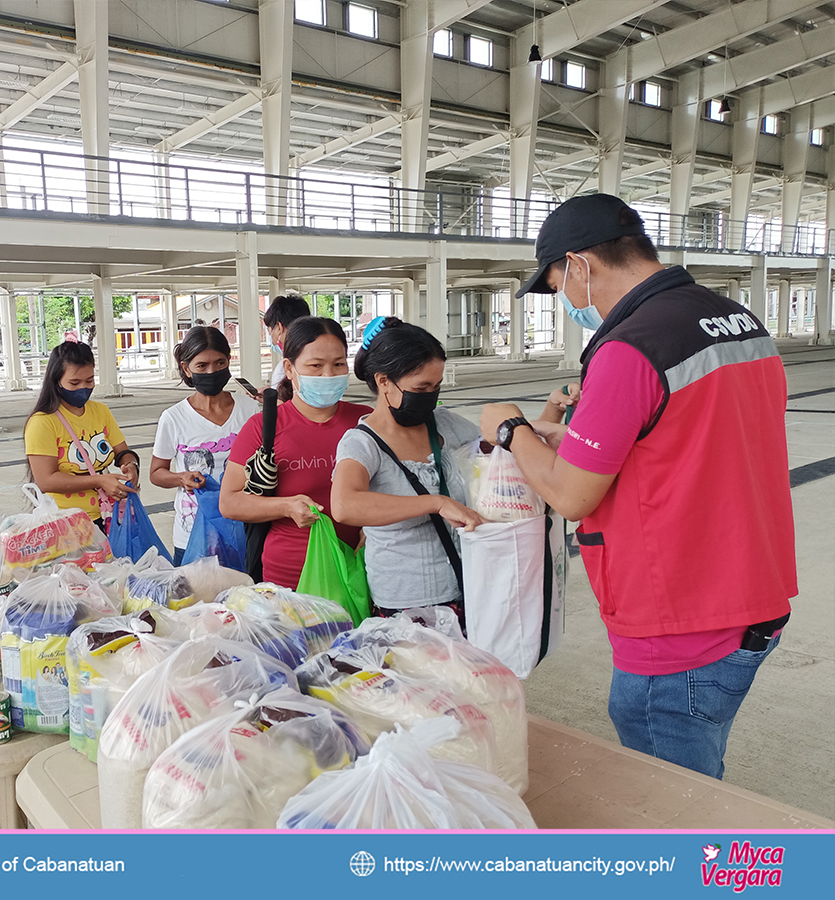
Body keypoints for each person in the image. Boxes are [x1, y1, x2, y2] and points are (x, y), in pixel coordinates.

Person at [480, 193, 795, 780]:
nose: (566, 302)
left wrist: (510, 427)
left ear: (579, 265)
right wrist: (574, 441)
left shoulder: (630, 347)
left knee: (674, 800)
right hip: (751, 595)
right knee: (701, 769)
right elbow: (692, 440)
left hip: (680, 623)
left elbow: (573, 496)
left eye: (557, 288)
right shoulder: (736, 321)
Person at [330, 317, 486, 616]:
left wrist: (551, 413)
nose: (430, 395)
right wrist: (436, 503)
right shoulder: (362, 443)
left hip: (467, 590)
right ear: (383, 381)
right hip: (406, 605)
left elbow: (498, 454)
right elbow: (345, 505)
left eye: (436, 386)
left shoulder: (444, 424)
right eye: (421, 386)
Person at [221, 316, 372, 590]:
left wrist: (374, 528)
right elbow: (229, 502)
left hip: (360, 569)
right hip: (289, 575)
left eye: (338, 364)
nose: (329, 375)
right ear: (289, 369)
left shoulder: (368, 422)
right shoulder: (263, 427)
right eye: (315, 366)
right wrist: (285, 506)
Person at [150, 326, 258, 564]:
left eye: (220, 363)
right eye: (202, 366)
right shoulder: (174, 417)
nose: (212, 371)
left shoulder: (249, 410)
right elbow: (157, 473)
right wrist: (182, 478)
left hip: (243, 531)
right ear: (186, 368)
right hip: (192, 535)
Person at [24, 340, 140, 529]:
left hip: (108, 515)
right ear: (56, 381)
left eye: (89, 380)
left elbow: (122, 451)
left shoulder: (101, 411)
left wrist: (131, 465)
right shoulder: (42, 421)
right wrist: (99, 480)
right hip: (67, 522)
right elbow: (45, 480)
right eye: (74, 382)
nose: (83, 388)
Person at [263, 292, 311, 392]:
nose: (272, 338)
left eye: (270, 331)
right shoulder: (317, 356)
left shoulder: (287, 366)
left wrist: (277, 402)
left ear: (279, 328)